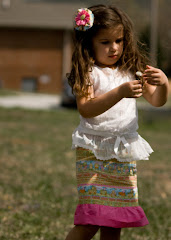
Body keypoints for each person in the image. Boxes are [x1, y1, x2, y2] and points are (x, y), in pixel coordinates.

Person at [65, 5, 169, 240]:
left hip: (123, 152)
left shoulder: (131, 70)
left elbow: (156, 100)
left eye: (119, 41)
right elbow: (87, 108)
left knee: (114, 222)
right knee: (91, 221)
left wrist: (164, 84)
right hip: (93, 152)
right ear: (89, 41)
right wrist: (120, 92)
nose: (114, 48)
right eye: (105, 42)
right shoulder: (88, 71)